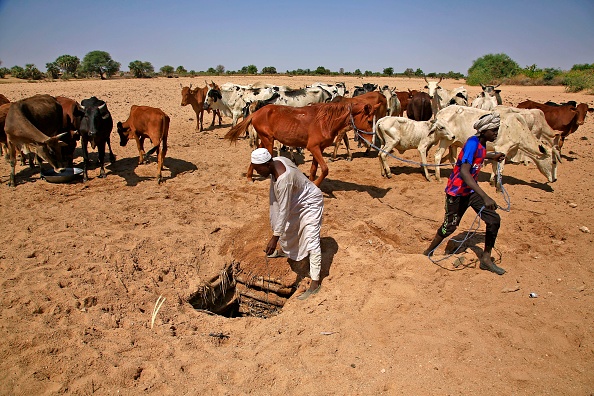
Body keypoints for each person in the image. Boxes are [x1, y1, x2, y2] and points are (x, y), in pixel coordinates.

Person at [423, 112, 507, 275]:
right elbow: (464, 172)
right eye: (494, 130)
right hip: (457, 193)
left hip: (470, 192)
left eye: (497, 130)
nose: (496, 133)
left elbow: (479, 155)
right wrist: (485, 196)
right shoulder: (472, 143)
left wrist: (492, 156)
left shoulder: (481, 145)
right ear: (484, 131)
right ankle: (428, 252)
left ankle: (486, 258)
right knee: (450, 227)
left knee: (494, 219)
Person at [250, 148, 325, 300]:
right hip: (296, 199)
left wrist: (274, 238)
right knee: (290, 228)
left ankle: (315, 283)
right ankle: (290, 252)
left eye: (258, 169)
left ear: (267, 164)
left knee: (311, 239)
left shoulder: (284, 180)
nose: (257, 173)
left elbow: (283, 210)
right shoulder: (278, 160)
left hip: (310, 202)